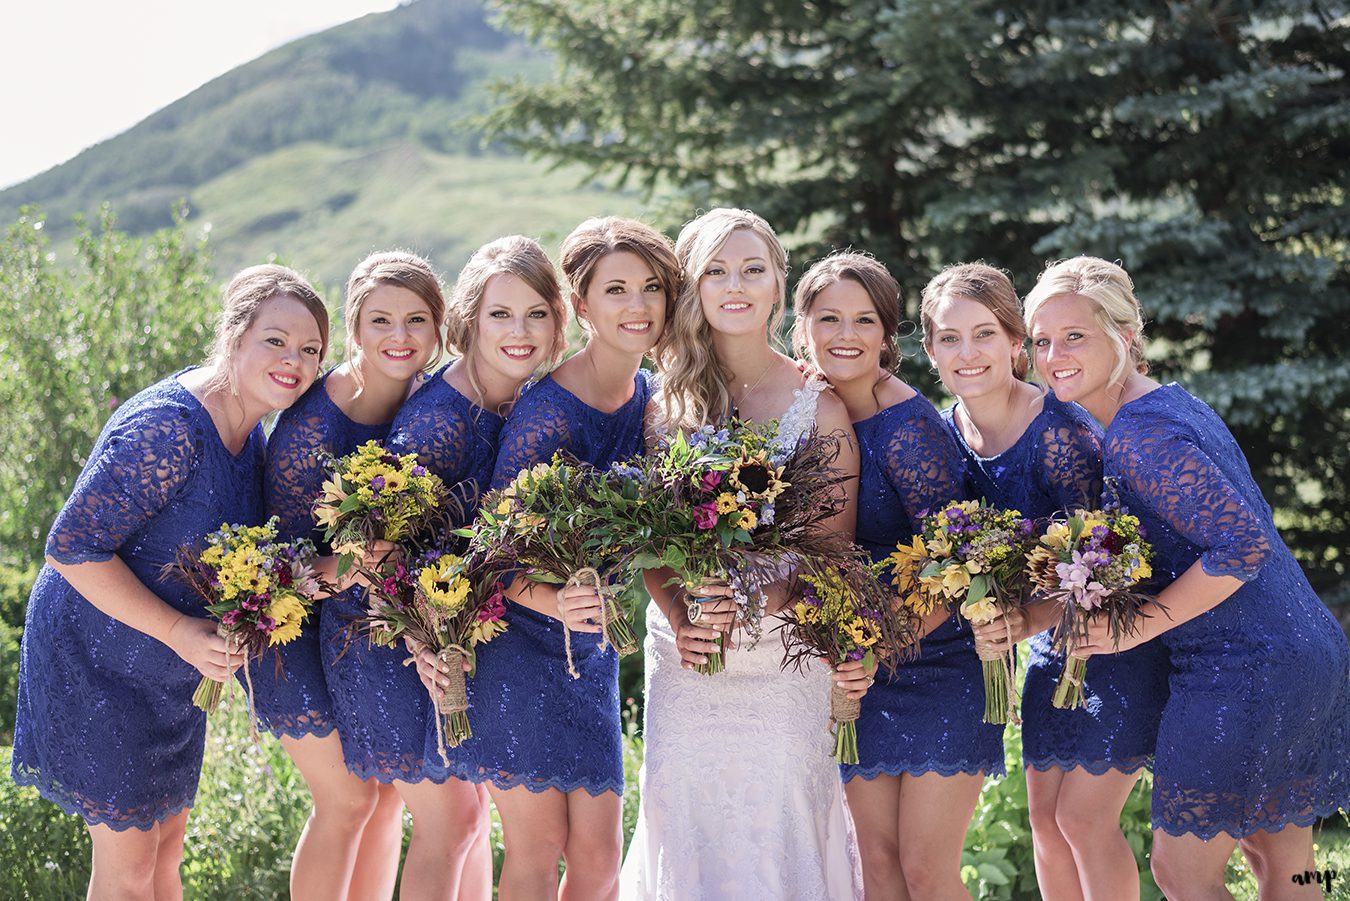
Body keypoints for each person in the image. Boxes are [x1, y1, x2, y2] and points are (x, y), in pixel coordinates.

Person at [1025, 255, 1350, 900]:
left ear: (1123, 337)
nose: (1054, 354)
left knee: (1182, 872)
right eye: (1040, 341)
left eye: (1075, 336)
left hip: (1245, 663)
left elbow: (1241, 546)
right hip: (1300, 645)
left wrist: (1134, 628)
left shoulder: (1142, 437)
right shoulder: (1155, 404)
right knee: (1284, 856)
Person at [11, 265, 328, 898]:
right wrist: (181, 630)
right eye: (275, 340)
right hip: (96, 664)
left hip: (169, 677)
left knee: (165, 854)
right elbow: (69, 549)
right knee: (128, 869)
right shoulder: (170, 428)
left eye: (310, 349)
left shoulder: (255, 437)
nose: (293, 360)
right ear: (234, 336)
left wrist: (336, 571)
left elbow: (248, 567)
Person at [619, 208, 866, 900]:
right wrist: (681, 610)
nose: (736, 285)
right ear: (693, 288)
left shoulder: (819, 408)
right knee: (685, 823)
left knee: (782, 831)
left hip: (784, 666)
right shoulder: (664, 402)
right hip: (686, 660)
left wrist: (759, 600)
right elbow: (651, 540)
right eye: (716, 271)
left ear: (779, 286)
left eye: (753, 269)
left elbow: (832, 550)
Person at [438, 216, 678, 899]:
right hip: (520, 646)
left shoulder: (651, 399)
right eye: (616, 290)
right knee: (538, 855)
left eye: (651, 288)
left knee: (600, 859)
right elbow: (487, 550)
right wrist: (553, 599)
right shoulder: (548, 412)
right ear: (582, 306)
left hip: (590, 648)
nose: (637, 306)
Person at [923, 262, 1169, 900]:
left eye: (984, 334)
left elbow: (1110, 558)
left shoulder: (1058, 434)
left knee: (1083, 823)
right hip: (1043, 652)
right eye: (950, 338)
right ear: (930, 351)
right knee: (1044, 825)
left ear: (1014, 344)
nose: (967, 353)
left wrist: (1021, 620)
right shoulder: (950, 432)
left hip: (1113, 643)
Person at [331, 235, 565, 901]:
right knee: (454, 819)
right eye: (499, 315)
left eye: (535, 315)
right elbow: (374, 547)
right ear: (467, 320)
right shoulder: (438, 418)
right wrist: (421, 638)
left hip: (451, 628)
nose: (518, 332)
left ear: (556, 320)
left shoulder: (524, 398)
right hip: (389, 630)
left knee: (471, 814)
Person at [795, 251, 997, 900]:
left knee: (925, 867)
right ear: (803, 328)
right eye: (829, 318)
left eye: (864, 320)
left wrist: (877, 645)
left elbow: (957, 562)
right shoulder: (807, 410)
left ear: (888, 335)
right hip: (862, 669)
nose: (845, 335)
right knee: (875, 863)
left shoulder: (908, 428)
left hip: (937, 662)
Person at [258, 251, 447, 900]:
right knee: (347, 800)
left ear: (439, 328)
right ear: (354, 328)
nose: (399, 337)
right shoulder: (312, 425)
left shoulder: (430, 403)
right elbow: (280, 569)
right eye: (381, 320)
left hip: (371, 628)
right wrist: (359, 560)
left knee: (387, 795)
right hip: (291, 635)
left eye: (416, 320)